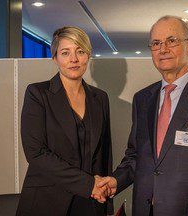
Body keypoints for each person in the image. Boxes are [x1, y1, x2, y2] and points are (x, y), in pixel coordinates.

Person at [97, 15, 188, 215]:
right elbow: (136, 156)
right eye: (156, 43)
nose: (163, 49)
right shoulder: (143, 99)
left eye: (172, 41)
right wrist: (116, 180)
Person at [16, 26, 113, 216]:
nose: (74, 59)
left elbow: (105, 152)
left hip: (91, 201)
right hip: (47, 201)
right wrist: (89, 184)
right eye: (65, 52)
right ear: (55, 58)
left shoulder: (100, 98)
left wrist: (105, 198)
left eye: (80, 51)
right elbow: (36, 153)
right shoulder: (38, 94)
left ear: (88, 56)